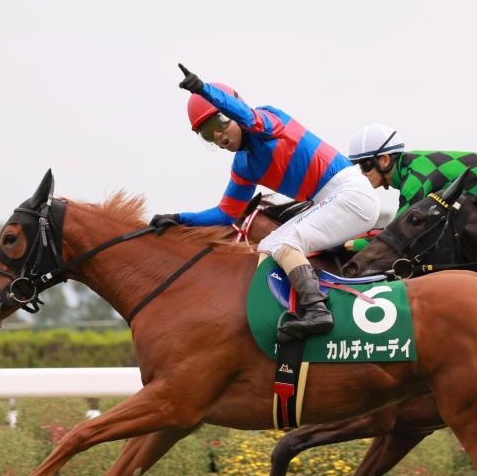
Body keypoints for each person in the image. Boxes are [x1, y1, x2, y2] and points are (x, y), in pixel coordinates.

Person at [160, 65, 379, 340]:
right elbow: (226, 214)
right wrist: (180, 219)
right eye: (207, 134)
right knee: (270, 244)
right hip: (334, 201)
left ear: (232, 112)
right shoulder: (243, 166)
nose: (218, 137)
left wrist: (204, 90)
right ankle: (311, 303)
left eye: (219, 124)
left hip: (349, 193)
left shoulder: (268, 120)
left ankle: (317, 311)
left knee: (280, 243)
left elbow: (247, 116)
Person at [345, 124, 477, 250]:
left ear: (385, 160)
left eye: (365, 165)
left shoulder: (414, 177)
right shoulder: (411, 167)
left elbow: (399, 233)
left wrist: (357, 245)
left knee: (453, 239)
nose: (362, 172)